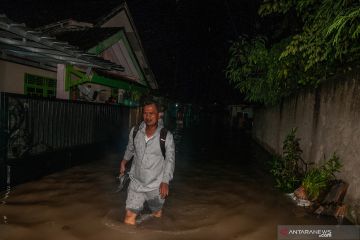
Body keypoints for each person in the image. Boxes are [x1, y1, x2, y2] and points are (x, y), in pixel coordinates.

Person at [120, 100, 175, 225]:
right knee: (129, 218)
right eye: (145, 113)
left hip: (156, 186)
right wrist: (124, 161)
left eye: (152, 113)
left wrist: (165, 181)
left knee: (157, 214)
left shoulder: (166, 136)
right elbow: (130, 148)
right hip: (136, 183)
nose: (148, 117)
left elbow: (170, 160)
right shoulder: (135, 132)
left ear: (159, 115)